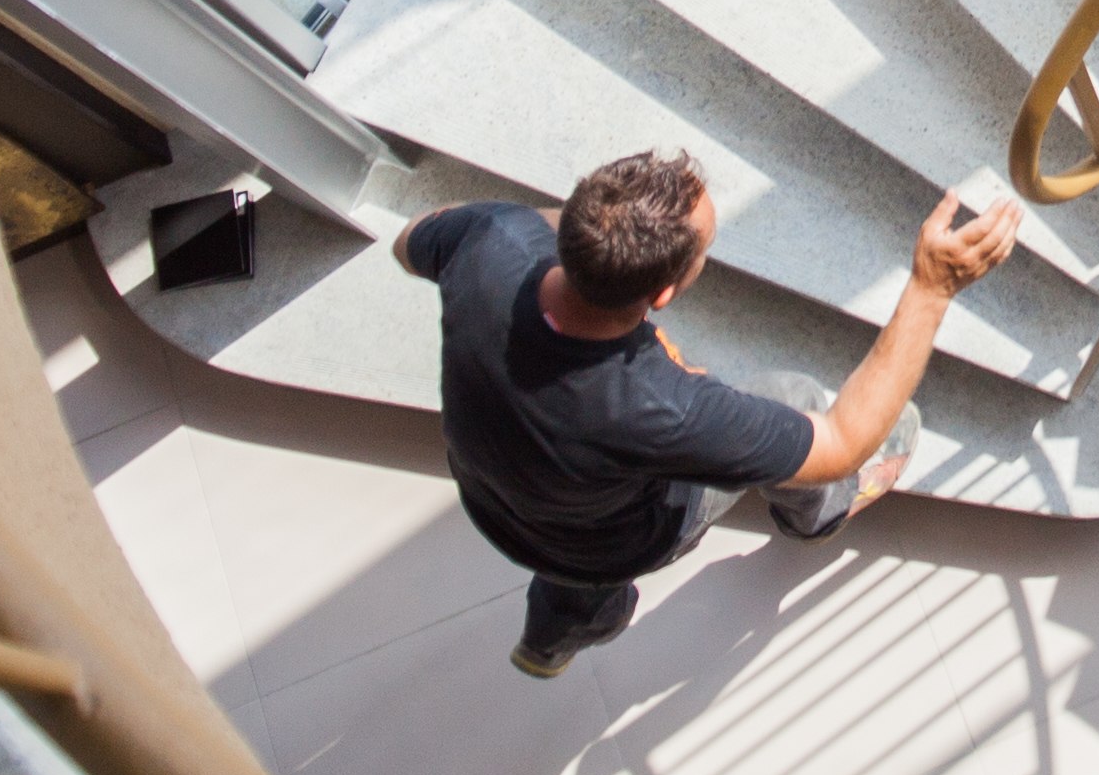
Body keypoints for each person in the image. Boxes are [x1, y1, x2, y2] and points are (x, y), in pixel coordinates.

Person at [393, 147, 1022, 678]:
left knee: (576, 564)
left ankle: (548, 644)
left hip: (496, 502)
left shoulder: (489, 240)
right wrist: (932, 287)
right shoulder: (663, 409)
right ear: (664, 293)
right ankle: (819, 514)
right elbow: (841, 441)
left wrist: (593, 243)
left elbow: (407, 243)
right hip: (624, 536)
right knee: (795, 397)